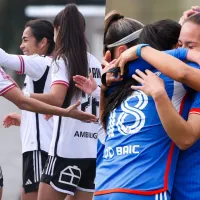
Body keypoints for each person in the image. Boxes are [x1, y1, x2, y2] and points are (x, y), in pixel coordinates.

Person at [94, 11, 200, 200]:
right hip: (142, 189)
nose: (185, 51)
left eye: (189, 46)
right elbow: (181, 72)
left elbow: (106, 127)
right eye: (179, 45)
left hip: (104, 187)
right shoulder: (174, 77)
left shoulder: (120, 79)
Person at [17, 4, 102, 200]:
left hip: (65, 149)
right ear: (82, 31)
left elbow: (56, 98)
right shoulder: (95, 63)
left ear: (58, 31)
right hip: (90, 150)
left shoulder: (62, 61)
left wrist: (23, 96)